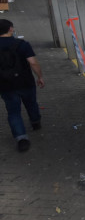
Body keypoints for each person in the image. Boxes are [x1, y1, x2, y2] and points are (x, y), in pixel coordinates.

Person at [0, 19, 45, 152]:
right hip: (25, 81)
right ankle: (35, 122)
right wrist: (40, 76)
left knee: (13, 111)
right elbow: (33, 63)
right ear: (10, 29)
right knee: (31, 103)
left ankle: (21, 139)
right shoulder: (22, 44)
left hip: (5, 84)